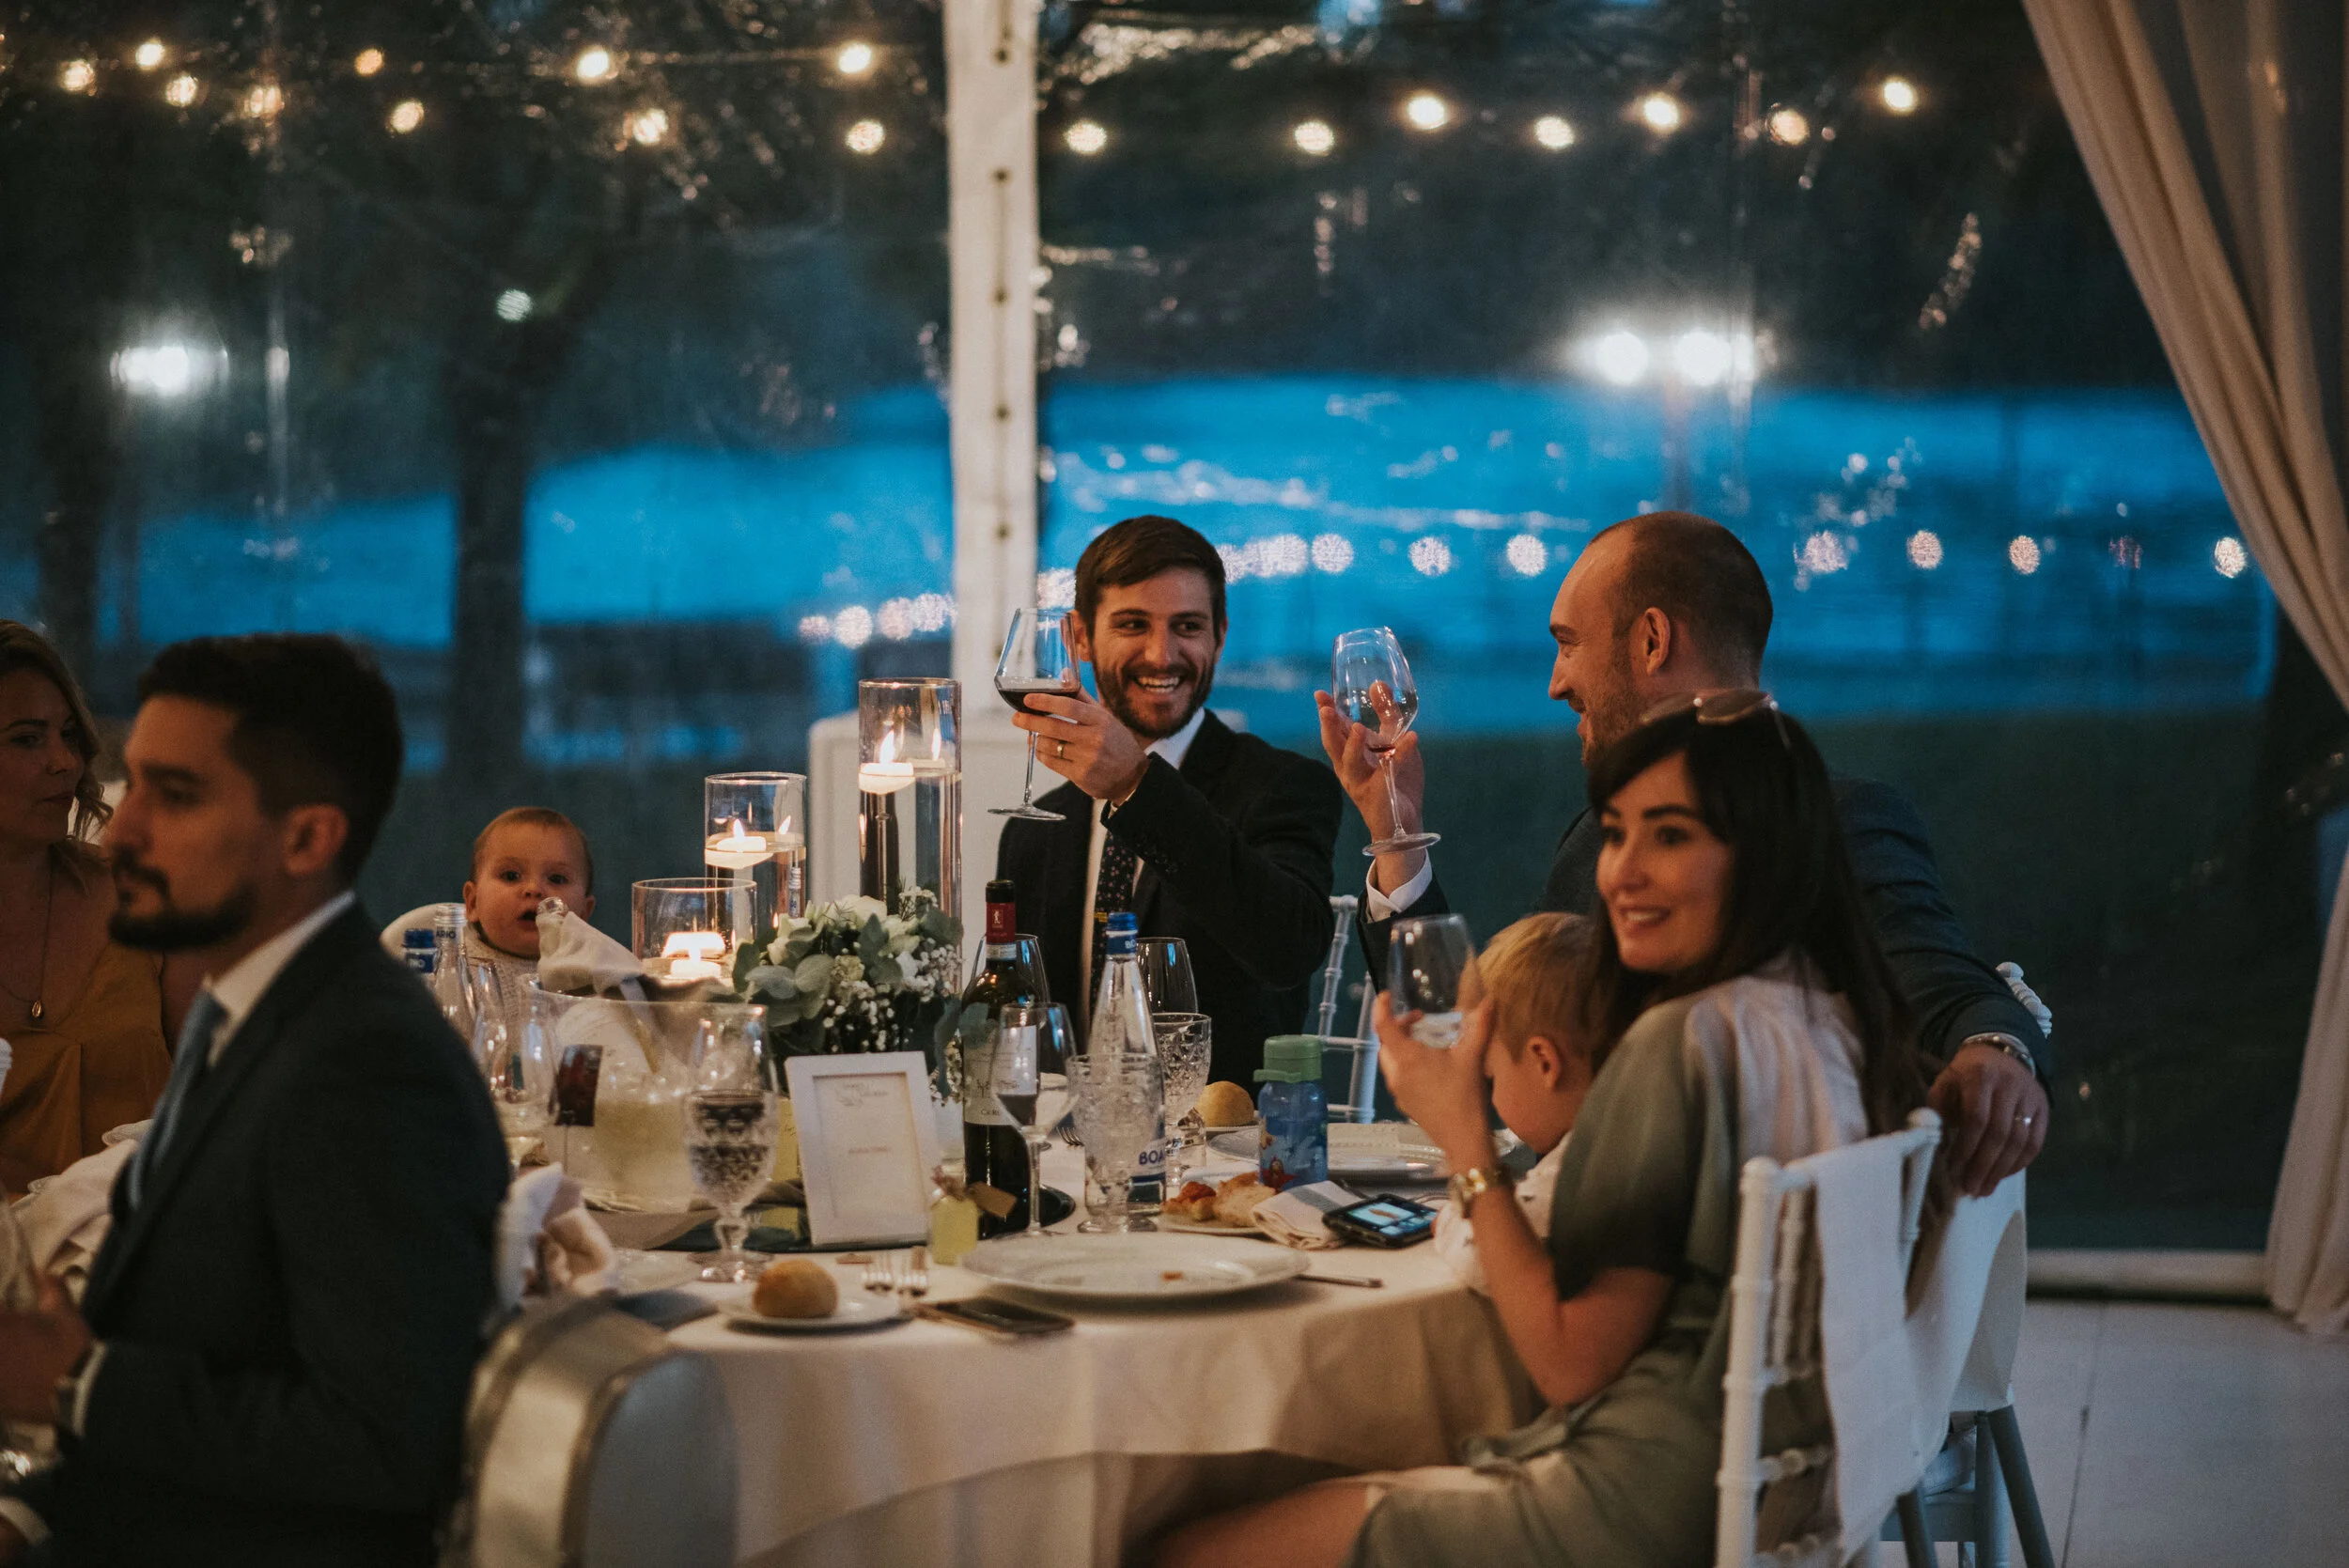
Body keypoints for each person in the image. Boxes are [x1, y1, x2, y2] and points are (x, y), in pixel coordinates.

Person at [1159, 694, 1941, 1568]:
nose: (1622, 873)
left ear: (1764, 854)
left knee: (1186, 1546)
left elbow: (1571, 1363)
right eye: (1616, 832)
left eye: (1671, 836)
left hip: (1642, 1503)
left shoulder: (1682, 1044)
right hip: (1773, 1489)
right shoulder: (1835, 1020)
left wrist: (1462, 1134)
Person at [1324, 510, 2049, 1196]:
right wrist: (1396, 831)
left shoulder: (1834, 822)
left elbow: (1948, 988)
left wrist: (1996, 1053)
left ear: (1651, 641)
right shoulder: (1596, 843)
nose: (1555, 681)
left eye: (1568, 640)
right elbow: (1510, 1034)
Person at [0, 633, 509, 1567]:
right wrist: (29, 1520)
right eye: (134, 783)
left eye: (175, 796)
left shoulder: (369, 1063)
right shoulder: (238, 1015)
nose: (119, 830)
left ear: (309, 837)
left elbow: (387, 1443)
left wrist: (81, 1383)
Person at [997, 514, 1343, 1083]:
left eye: (1187, 626)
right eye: (1133, 624)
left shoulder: (1282, 785)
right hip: (1066, 1150)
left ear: (1220, 636)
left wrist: (1137, 786)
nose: (1163, 655)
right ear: (1078, 637)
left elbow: (1288, 949)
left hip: (1226, 1154)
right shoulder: (1036, 827)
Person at [0, 622, 179, 1197]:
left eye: (70, 735)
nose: (65, 762)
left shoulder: (138, 894)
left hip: (144, 1254)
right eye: (27, 739)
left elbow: (220, 1091)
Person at [1424, 911, 1595, 1293]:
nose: (1491, 1094)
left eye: (1492, 1075)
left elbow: (1480, 1258)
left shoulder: (1580, 1167)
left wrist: (1451, 1219)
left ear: (1545, 1063)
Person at [458, 805, 597, 1032]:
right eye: (511, 876)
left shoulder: (593, 978)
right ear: (473, 903)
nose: (534, 889)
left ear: (583, 913)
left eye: (557, 879)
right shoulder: (454, 974)